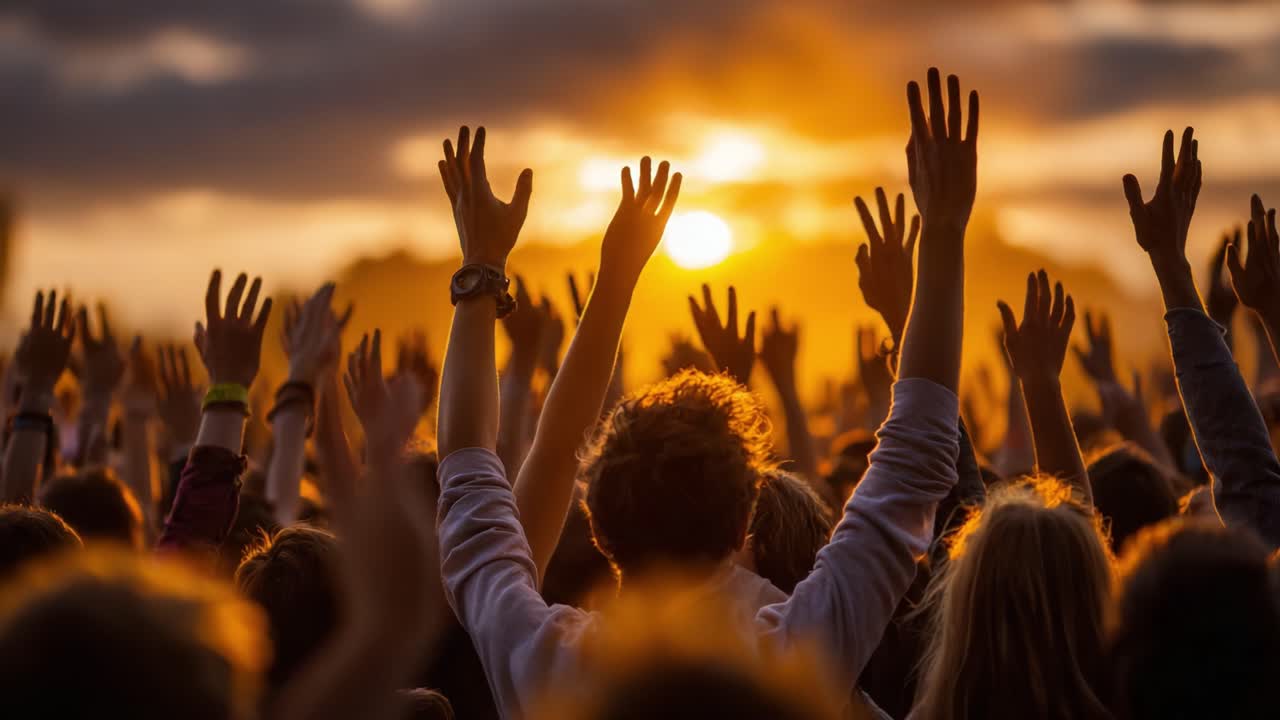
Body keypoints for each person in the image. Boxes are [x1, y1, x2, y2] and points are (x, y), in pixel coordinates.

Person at [436, 65, 973, 718]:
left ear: (600, 526)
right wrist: (942, 231)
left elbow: (470, 464)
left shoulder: (544, 664)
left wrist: (484, 267)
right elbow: (917, 455)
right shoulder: (799, 657)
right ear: (746, 516)